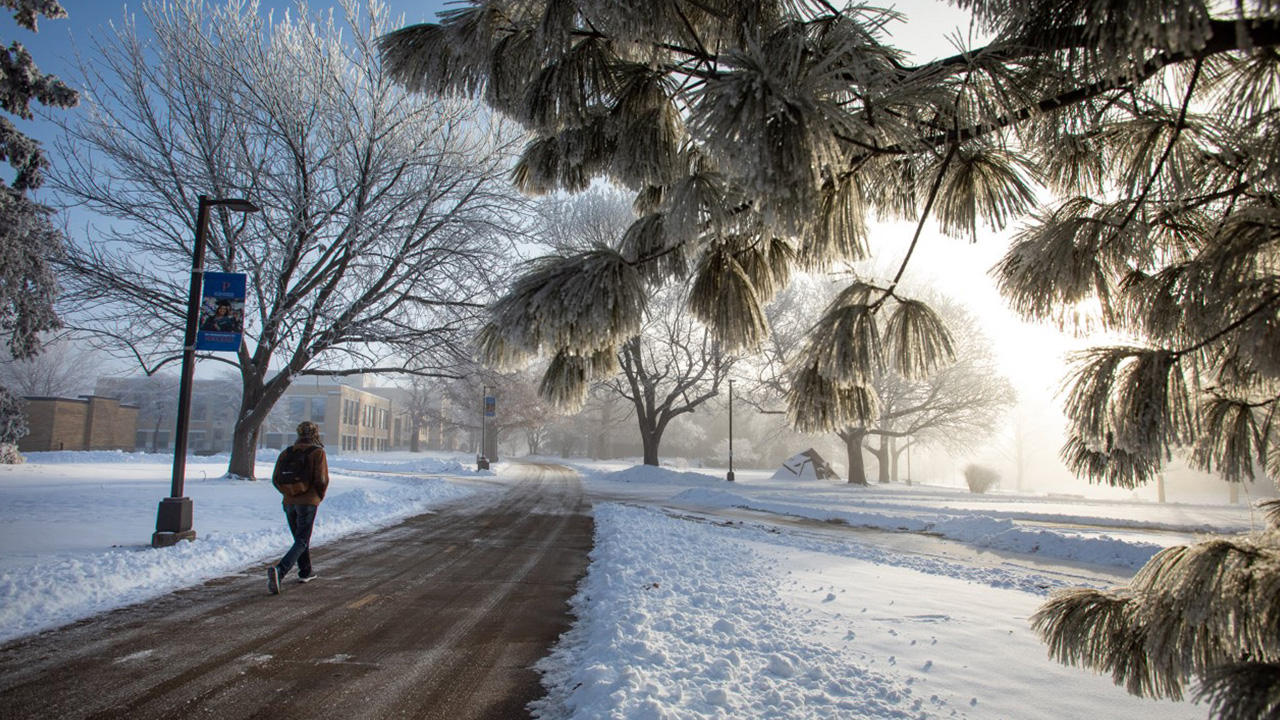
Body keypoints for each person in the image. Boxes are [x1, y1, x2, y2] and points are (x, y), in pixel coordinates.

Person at [267, 420, 330, 594]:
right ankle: (280, 571)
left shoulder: (287, 453)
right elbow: (322, 480)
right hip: (308, 501)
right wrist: (318, 496)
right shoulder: (317, 453)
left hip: (289, 502)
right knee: (302, 540)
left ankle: (305, 571)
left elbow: (275, 479)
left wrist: (288, 493)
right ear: (315, 434)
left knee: (300, 540)